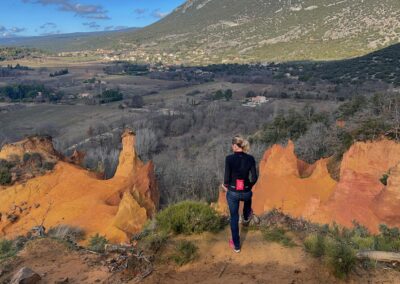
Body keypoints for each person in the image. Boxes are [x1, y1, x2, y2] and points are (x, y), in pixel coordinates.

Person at [222, 135, 258, 253]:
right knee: (248, 199)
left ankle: (236, 246)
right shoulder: (251, 158)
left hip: (233, 192)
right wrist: (248, 186)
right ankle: (247, 215)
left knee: (234, 218)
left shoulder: (229, 159)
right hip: (246, 192)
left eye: (232, 145)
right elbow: (254, 177)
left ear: (234, 146)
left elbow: (226, 179)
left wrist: (225, 187)